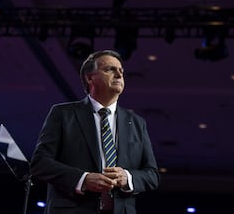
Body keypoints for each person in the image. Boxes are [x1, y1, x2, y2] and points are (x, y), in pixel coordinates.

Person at [30, 49, 160, 214]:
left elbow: (152, 175)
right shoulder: (63, 114)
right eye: (109, 70)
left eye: (121, 71)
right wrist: (83, 179)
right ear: (89, 77)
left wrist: (128, 177)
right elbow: (40, 164)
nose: (119, 75)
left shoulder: (136, 123)